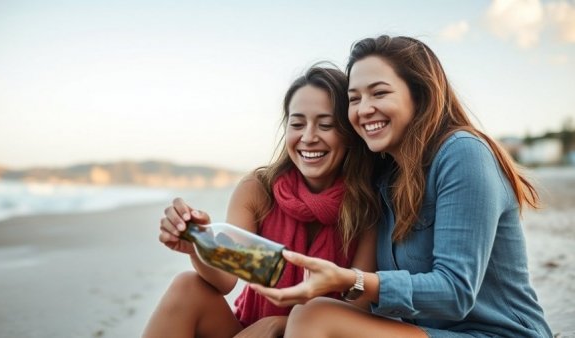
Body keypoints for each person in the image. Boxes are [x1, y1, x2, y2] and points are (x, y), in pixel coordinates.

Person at [251, 35, 553, 337]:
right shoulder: (385, 176)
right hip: (426, 331)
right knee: (308, 314)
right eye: (354, 99)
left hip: (499, 333)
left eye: (379, 93)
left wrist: (350, 280)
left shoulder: (462, 153)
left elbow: (456, 292)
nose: (364, 109)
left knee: (313, 317)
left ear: (419, 95)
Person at [142, 65, 382, 338]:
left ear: (349, 133)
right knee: (186, 285)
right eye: (297, 123)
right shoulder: (258, 190)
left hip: (321, 333)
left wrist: (281, 323)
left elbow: (359, 306)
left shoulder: (366, 203)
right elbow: (224, 281)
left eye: (325, 125)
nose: (308, 137)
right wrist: (196, 245)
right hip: (252, 329)